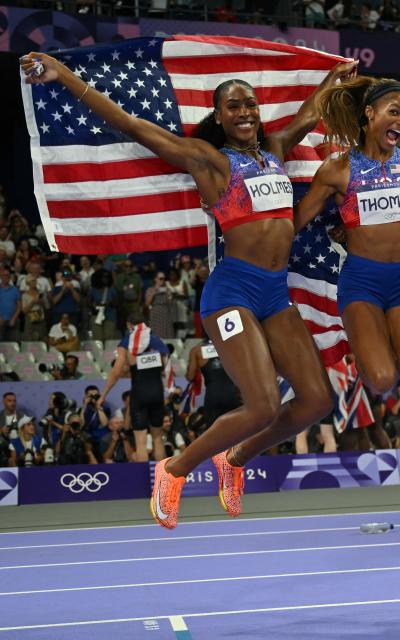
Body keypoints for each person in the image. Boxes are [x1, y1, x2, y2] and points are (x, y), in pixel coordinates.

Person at [22, 52, 359, 527]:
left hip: (274, 293)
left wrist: (335, 77)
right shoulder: (209, 161)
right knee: (262, 403)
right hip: (233, 292)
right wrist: (64, 76)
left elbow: (309, 113)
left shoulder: (276, 150)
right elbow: (130, 123)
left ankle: (235, 459)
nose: (245, 113)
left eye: (250, 105)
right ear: (219, 117)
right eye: (234, 106)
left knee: (316, 400)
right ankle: (174, 469)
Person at [295, 76, 400, 401]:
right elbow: (296, 221)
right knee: (383, 379)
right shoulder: (337, 170)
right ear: (370, 113)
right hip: (362, 284)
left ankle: (384, 339)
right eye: (395, 112)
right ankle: (367, 345)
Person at [100, 312, 169, 463]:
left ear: (129, 325)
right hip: (157, 393)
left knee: (141, 442)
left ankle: (145, 485)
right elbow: (165, 368)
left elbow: (116, 372)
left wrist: (103, 395)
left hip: (139, 394)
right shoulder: (157, 341)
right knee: (158, 439)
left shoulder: (126, 343)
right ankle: (164, 484)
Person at [185, 335, 242, 433]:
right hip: (231, 394)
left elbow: (190, 377)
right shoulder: (231, 346)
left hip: (213, 395)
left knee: (215, 434)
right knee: (236, 433)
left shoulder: (197, 350)